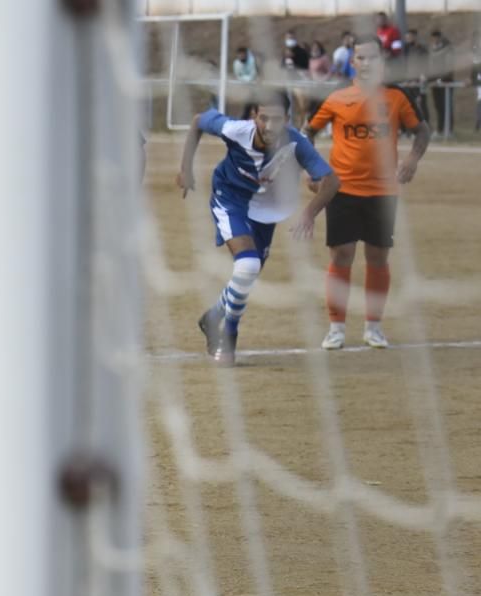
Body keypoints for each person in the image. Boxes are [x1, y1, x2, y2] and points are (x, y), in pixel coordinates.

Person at [177, 88, 340, 366]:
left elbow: (331, 181)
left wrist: (310, 213)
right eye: (263, 118)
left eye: (277, 119)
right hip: (230, 199)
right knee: (248, 266)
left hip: (265, 211)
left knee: (246, 277)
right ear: (254, 116)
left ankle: (213, 316)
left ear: (287, 118)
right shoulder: (234, 129)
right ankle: (229, 338)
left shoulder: (295, 143)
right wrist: (185, 169)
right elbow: (197, 121)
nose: (269, 126)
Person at [304, 35, 430, 350]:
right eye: (361, 57)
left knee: (377, 256)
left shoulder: (397, 96)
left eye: (373, 57)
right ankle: (336, 327)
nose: (367, 62)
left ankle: (374, 327)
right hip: (342, 189)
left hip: (383, 191)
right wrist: (311, 169)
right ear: (353, 61)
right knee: (341, 254)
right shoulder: (336, 95)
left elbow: (422, 130)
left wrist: (412, 159)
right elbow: (308, 131)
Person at [428, 30, 455, 136]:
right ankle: (440, 129)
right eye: (433, 38)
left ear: (440, 37)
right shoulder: (431, 49)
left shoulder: (448, 49)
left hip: (445, 81)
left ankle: (449, 130)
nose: (434, 40)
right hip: (434, 81)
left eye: (436, 38)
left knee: (446, 105)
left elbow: (449, 65)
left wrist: (443, 78)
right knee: (438, 106)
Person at [401, 29, 430, 125]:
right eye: (406, 37)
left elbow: (426, 64)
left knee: (421, 103)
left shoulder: (422, 49)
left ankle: (426, 124)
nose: (407, 39)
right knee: (409, 105)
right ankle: (411, 128)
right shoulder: (406, 49)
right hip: (409, 80)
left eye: (409, 37)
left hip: (419, 81)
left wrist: (423, 75)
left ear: (415, 37)